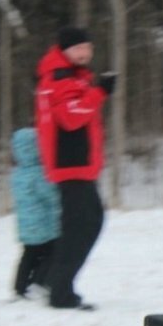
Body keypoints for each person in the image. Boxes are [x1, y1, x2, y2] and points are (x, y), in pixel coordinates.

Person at [34, 27, 116, 310]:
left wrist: (94, 91)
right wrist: (99, 93)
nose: (85, 53)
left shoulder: (71, 76)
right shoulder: (60, 77)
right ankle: (60, 292)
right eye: (79, 49)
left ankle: (49, 279)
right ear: (65, 51)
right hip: (71, 164)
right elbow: (70, 118)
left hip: (76, 165)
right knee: (82, 228)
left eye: (88, 48)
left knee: (88, 223)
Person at [10, 126, 60, 299]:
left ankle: (20, 287)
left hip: (25, 226)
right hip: (44, 226)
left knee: (28, 256)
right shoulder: (39, 173)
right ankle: (38, 282)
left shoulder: (17, 174)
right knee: (51, 254)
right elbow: (50, 196)